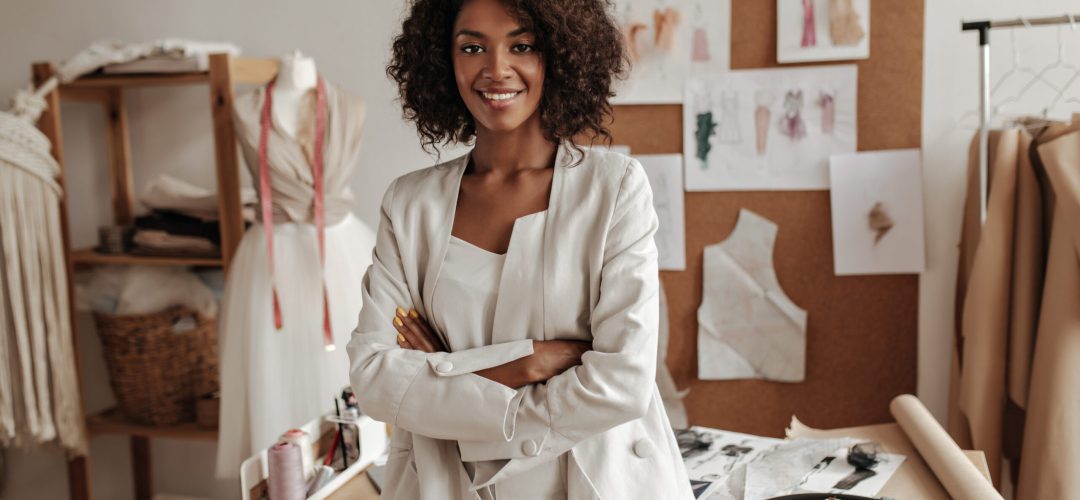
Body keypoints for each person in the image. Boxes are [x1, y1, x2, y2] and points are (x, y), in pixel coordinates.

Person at [347, 0, 693, 498]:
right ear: (443, 59)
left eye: (522, 45)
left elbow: (622, 383)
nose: (496, 69)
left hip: (592, 480)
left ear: (559, 54)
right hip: (447, 484)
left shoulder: (614, 188)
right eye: (472, 47)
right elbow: (374, 377)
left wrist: (449, 377)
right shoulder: (410, 204)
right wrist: (524, 364)